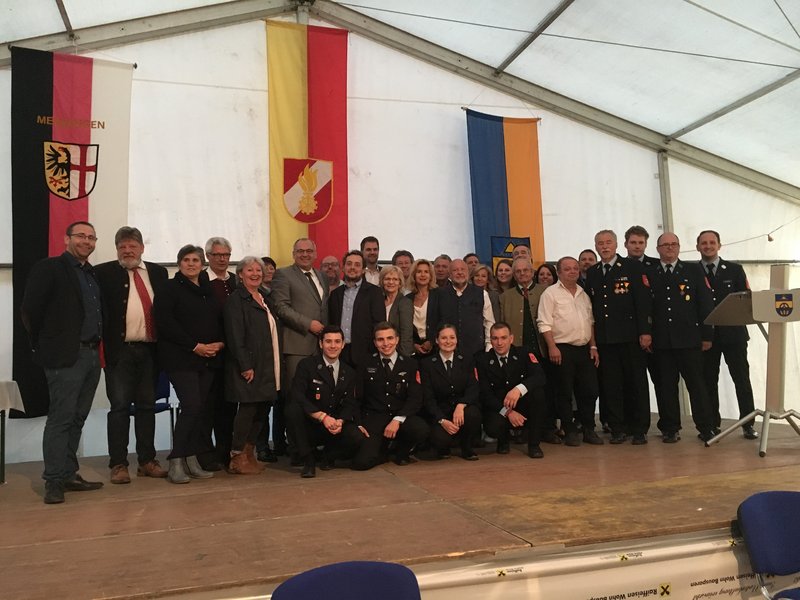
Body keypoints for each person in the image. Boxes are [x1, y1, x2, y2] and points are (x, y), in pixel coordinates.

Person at [21, 221, 105, 504]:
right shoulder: (49, 268)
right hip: (64, 357)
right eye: (81, 236)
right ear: (66, 238)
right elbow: (30, 311)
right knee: (61, 418)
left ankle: (69, 473)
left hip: (92, 355)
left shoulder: (91, 273)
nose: (87, 241)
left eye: (91, 237)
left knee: (78, 418)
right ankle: (54, 480)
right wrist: (46, 344)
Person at [94, 226, 169, 484]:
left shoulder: (158, 273)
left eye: (132, 246)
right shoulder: (102, 273)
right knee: (120, 408)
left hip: (150, 351)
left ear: (142, 248)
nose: (127, 251)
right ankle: (118, 464)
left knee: (147, 406)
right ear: (116, 249)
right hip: (119, 352)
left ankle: (147, 461)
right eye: (122, 246)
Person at [154, 245, 225, 483]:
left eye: (196, 260)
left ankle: (191, 459)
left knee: (200, 410)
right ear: (179, 263)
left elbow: (219, 319)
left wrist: (220, 343)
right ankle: (176, 460)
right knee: (192, 406)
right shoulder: (169, 288)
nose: (191, 264)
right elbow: (165, 323)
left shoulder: (207, 289)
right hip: (181, 359)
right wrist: (195, 346)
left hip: (208, 358)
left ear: (202, 264)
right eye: (186, 260)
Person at [585, 230, 652, 445]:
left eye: (608, 243)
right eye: (600, 243)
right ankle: (617, 427)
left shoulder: (632, 267)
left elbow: (642, 302)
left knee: (636, 383)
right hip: (606, 339)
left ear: (616, 245)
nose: (604, 247)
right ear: (596, 247)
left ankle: (639, 428)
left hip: (630, 337)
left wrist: (645, 332)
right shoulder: (593, 272)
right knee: (611, 385)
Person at [650, 232, 715, 443]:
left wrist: (707, 335)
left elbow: (705, 304)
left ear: (679, 247)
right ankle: (670, 428)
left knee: (697, 385)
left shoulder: (693, 270)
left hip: (689, 340)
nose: (669, 248)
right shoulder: (651, 272)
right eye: (665, 245)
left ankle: (706, 427)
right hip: (662, 341)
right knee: (666, 387)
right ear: (658, 249)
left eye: (673, 244)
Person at [696, 230, 758, 440]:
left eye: (712, 242)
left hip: (734, 335)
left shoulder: (734, 270)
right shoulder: (692, 271)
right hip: (707, 337)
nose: (708, 246)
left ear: (719, 245)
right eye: (704, 243)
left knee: (742, 380)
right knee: (708, 382)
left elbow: (747, 299)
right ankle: (712, 425)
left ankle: (748, 424)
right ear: (698, 247)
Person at [223, 257, 281, 474]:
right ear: (240, 274)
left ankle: (249, 454)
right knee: (248, 410)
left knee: (262, 408)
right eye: (250, 270)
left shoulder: (266, 298)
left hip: (267, 364)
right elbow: (235, 336)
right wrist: (245, 365)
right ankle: (237, 457)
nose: (255, 274)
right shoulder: (236, 300)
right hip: (250, 366)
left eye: (259, 270)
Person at [537, 257, 602, 447]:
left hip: (584, 349)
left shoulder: (583, 294)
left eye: (575, 268)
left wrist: (593, 346)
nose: (572, 271)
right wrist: (552, 347)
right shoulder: (550, 294)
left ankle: (589, 429)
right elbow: (544, 323)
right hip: (562, 348)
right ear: (559, 272)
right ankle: (570, 430)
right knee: (564, 392)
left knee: (589, 390)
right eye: (567, 269)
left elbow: (590, 322)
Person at [285, 326, 364, 477]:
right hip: (310, 423)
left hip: (333, 425)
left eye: (337, 341)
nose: (333, 346)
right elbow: (297, 395)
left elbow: (350, 402)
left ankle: (328, 456)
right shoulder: (306, 365)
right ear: (321, 344)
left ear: (343, 344)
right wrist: (322, 417)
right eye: (328, 341)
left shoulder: (349, 372)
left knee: (357, 437)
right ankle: (308, 461)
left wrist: (340, 421)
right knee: (293, 409)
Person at [352, 322, 428, 470]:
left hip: (400, 417)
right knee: (362, 463)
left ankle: (402, 451)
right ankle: (385, 451)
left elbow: (415, 398)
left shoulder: (410, 364)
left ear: (397, 339)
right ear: (375, 342)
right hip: (374, 418)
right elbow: (357, 397)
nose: (386, 343)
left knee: (420, 429)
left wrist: (398, 419)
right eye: (380, 339)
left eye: (390, 338)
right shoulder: (365, 363)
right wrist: (359, 423)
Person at [475, 322, 547, 458]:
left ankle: (534, 445)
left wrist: (518, 389)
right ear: (490, 340)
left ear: (511, 338)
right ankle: (503, 441)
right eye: (495, 338)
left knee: (538, 394)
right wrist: (508, 412)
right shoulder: (483, 360)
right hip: (498, 407)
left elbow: (540, 377)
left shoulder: (524, 353)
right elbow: (485, 394)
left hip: (522, 404)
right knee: (493, 426)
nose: (499, 343)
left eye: (503, 338)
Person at [419, 325, 481, 460]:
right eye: (444, 338)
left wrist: (461, 405)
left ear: (457, 340)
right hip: (440, 413)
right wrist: (442, 420)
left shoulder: (467, 360)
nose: (448, 341)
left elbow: (473, 388)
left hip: (461, 411)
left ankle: (466, 447)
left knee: (473, 414)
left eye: (452, 337)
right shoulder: (427, 364)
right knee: (440, 440)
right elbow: (428, 398)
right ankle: (444, 446)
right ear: (437, 340)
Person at [202, 236, 237, 470]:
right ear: (208, 257)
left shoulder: (236, 280)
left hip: (232, 354)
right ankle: (205, 454)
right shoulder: (200, 280)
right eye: (217, 255)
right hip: (208, 353)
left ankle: (224, 452)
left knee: (228, 406)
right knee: (207, 406)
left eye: (226, 255)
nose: (222, 259)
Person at [329, 250, 384, 369]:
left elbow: (379, 324)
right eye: (349, 264)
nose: (352, 267)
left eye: (357, 265)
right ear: (343, 268)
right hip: (338, 353)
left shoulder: (375, 292)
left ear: (363, 270)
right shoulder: (335, 294)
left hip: (365, 353)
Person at [436, 259, 494, 359]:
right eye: (455, 270)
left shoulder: (482, 294)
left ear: (468, 273)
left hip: (476, 351)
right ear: (449, 275)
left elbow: (489, 322)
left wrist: (489, 346)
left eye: (462, 269)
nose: (459, 272)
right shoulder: (439, 294)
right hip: (446, 352)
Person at [257, 255, 282, 462]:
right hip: (262, 356)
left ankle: (280, 443)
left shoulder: (278, 293)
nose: (268, 271)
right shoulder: (255, 294)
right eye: (263, 268)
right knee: (262, 405)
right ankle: (262, 446)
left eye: (271, 267)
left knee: (281, 402)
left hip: (280, 352)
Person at [406, 259, 439, 358]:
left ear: (431, 275)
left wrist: (432, 341)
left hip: (436, 347)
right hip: (415, 349)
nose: (423, 275)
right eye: (419, 272)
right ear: (414, 275)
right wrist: (413, 345)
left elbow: (443, 320)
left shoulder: (439, 295)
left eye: (426, 272)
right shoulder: (407, 299)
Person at [380, 265, 414, 357]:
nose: (391, 282)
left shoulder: (405, 302)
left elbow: (406, 333)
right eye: (387, 279)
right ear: (382, 281)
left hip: (399, 353)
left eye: (395, 279)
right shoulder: (378, 301)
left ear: (400, 283)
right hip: (380, 350)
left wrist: (404, 356)